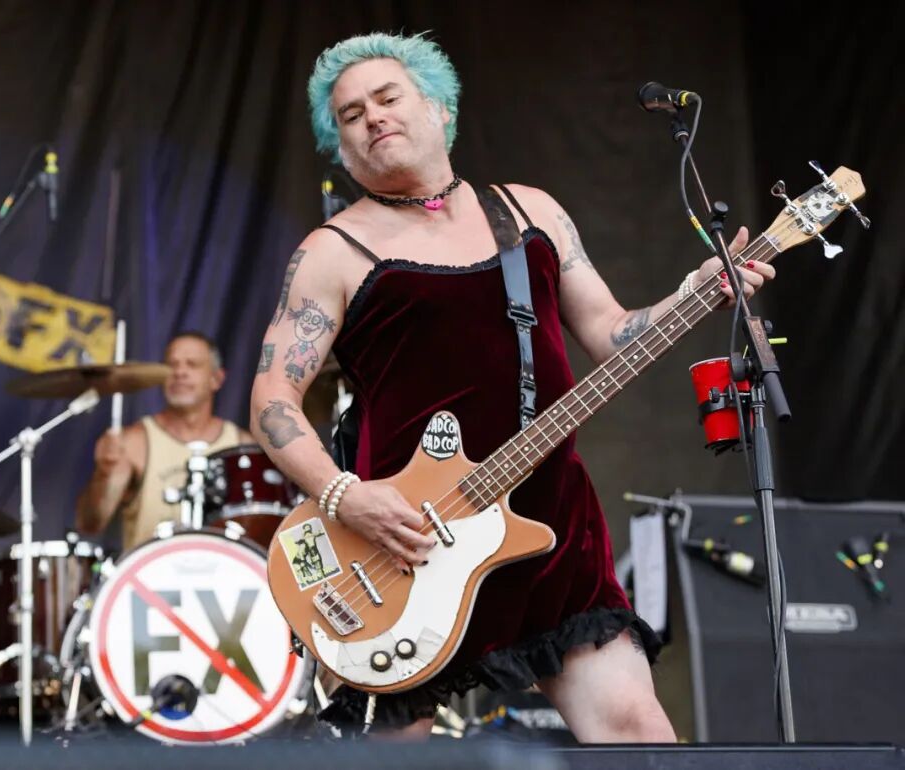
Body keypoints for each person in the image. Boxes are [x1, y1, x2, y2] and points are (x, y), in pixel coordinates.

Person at [249, 32, 775, 742]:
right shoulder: (332, 251)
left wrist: (693, 294)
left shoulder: (532, 213)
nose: (372, 117)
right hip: (406, 542)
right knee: (392, 757)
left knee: (635, 732)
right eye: (350, 115)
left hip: (550, 523)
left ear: (439, 107)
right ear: (342, 148)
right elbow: (272, 399)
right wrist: (346, 497)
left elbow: (612, 333)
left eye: (387, 97)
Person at [76, 332, 254, 552]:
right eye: (172, 365)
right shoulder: (133, 443)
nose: (179, 372)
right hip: (149, 573)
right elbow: (90, 524)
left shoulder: (242, 445)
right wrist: (103, 474)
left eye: (192, 364)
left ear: (216, 379)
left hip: (226, 572)